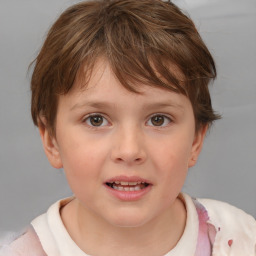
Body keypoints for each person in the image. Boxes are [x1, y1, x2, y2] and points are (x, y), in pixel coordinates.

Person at [0, 0, 255, 255]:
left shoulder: (242, 240)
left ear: (196, 141)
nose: (129, 150)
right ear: (51, 140)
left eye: (158, 119)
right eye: (96, 120)